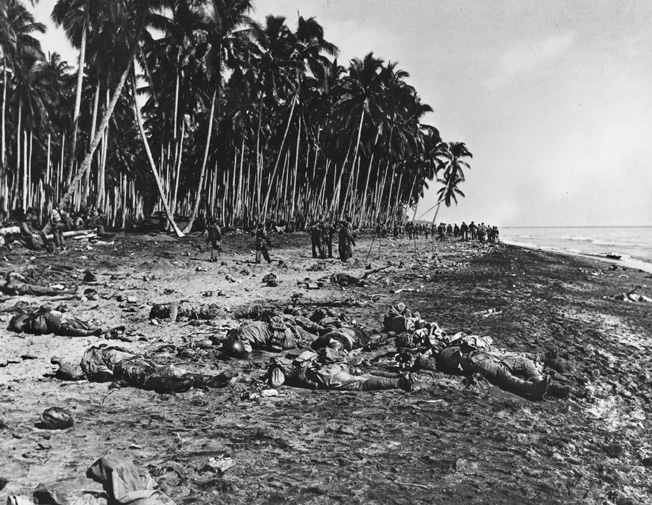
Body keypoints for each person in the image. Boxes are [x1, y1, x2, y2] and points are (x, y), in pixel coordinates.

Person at [413, 336, 550, 401]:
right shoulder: (441, 353)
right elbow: (423, 362)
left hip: (489, 353)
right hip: (471, 361)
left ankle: (540, 382)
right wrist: (430, 351)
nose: (435, 338)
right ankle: (531, 388)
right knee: (500, 372)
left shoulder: (454, 338)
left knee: (524, 362)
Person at [268, 348, 413, 392]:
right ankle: (398, 376)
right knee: (364, 376)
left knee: (359, 384)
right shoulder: (302, 356)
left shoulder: (279, 367)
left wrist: (272, 373)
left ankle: (400, 382)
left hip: (323, 375)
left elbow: (276, 383)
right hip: (331, 367)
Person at [8, 305, 121, 337]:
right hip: (50, 319)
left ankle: (103, 331)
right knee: (70, 326)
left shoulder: (28, 317)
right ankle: (93, 332)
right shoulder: (24, 318)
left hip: (50, 321)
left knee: (75, 325)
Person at [0, 272, 77, 296]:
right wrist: (22, 278)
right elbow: (11, 275)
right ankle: (68, 291)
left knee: (44, 289)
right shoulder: (5, 281)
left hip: (23, 287)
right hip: (24, 288)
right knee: (45, 290)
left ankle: (66, 290)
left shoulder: (4, 282)